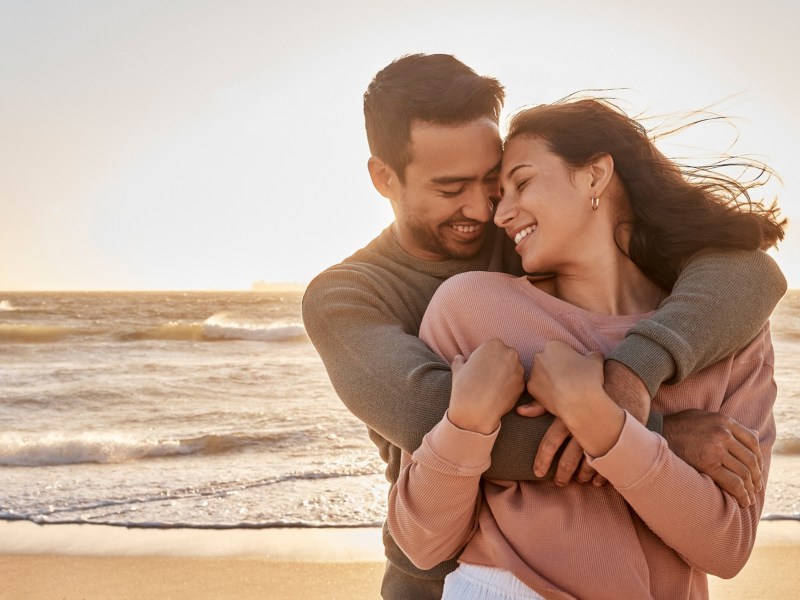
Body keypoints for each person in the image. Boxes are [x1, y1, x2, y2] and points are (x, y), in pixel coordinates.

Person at [301, 54, 786, 599]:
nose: (485, 211)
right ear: (383, 178)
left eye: (493, 181)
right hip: (438, 580)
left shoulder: (536, 239)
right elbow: (433, 417)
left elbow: (745, 272)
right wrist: (661, 435)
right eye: (449, 187)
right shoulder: (348, 297)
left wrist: (631, 373)